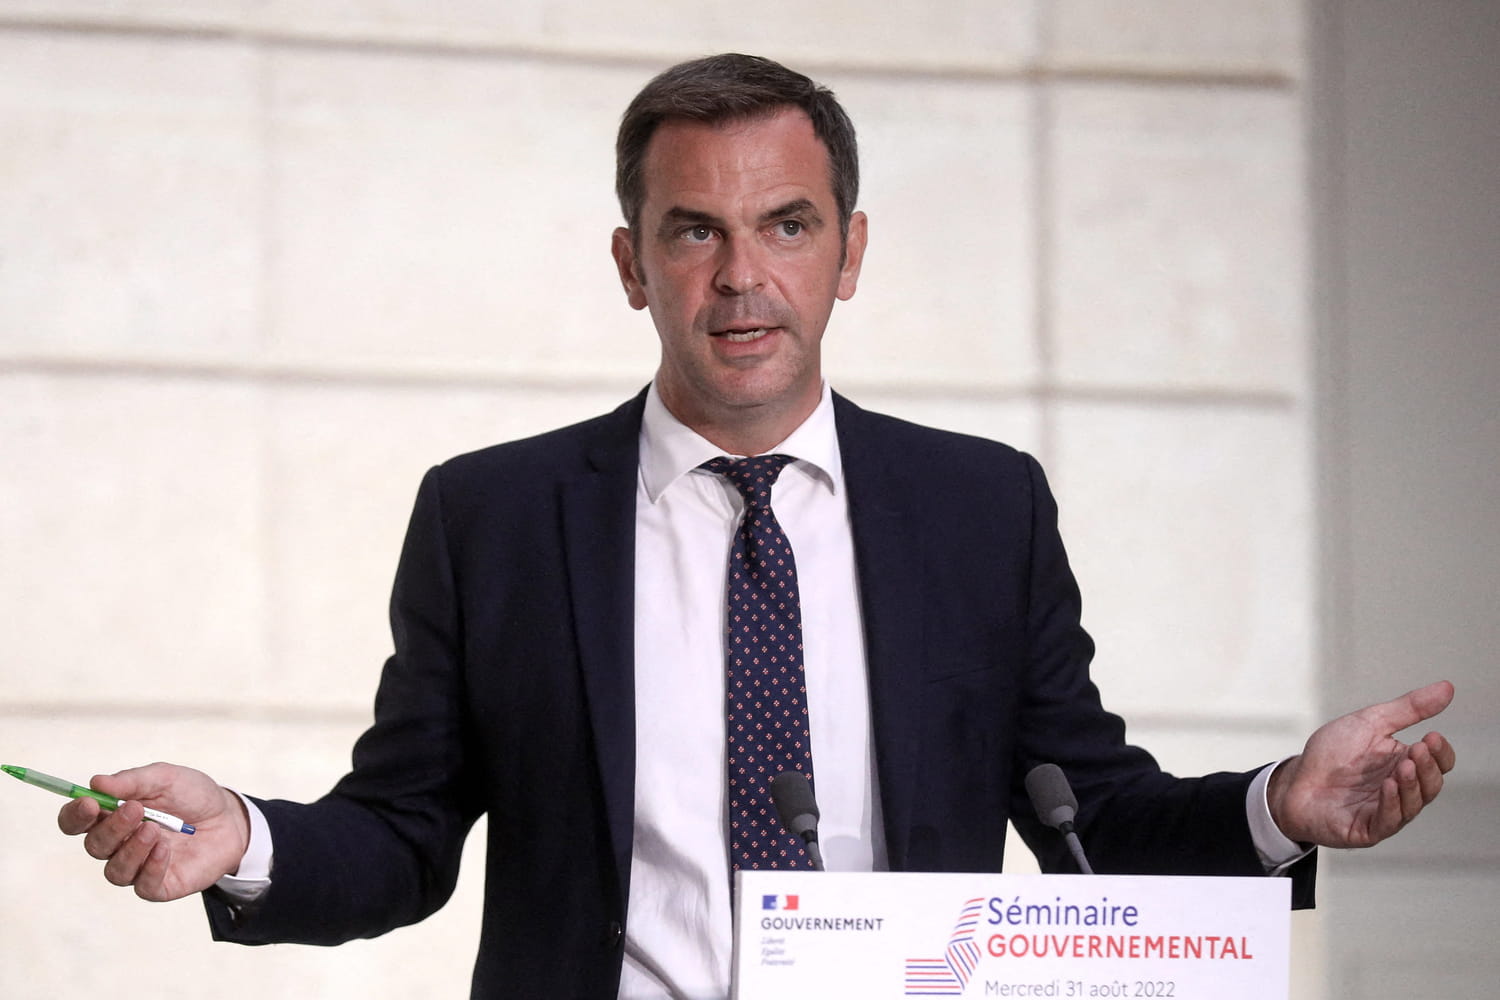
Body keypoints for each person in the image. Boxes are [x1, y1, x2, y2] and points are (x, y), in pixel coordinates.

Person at [59, 53, 1456, 1000]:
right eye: (694, 232)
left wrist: (1282, 806)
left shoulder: (981, 509)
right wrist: (246, 839)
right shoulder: (494, 517)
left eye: (787, 226)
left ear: (850, 252)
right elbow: (404, 834)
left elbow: (1087, 818)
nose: (742, 278)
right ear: (633, 264)